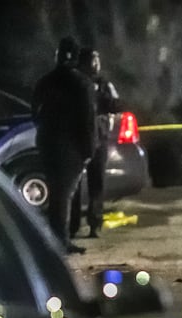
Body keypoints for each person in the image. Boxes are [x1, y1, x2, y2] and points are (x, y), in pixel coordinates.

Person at [31, 36, 96, 254]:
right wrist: (89, 149)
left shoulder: (45, 81)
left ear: (57, 56)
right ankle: (59, 242)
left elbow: (35, 113)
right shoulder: (82, 84)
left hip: (48, 143)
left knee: (56, 192)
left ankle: (56, 239)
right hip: (72, 147)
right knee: (64, 195)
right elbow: (88, 120)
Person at [70, 48, 121, 238]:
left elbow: (116, 105)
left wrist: (100, 99)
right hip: (76, 140)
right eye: (93, 60)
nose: (97, 65)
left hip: (99, 139)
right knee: (73, 185)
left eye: (97, 60)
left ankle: (94, 224)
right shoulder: (73, 83)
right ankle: (72, 226)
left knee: (96, 184)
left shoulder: (103, 84)